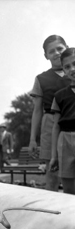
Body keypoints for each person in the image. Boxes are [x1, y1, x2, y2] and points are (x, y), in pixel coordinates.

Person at [28, 35, 70, 191]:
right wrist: (33, 139)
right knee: (52, 172)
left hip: (71, 123)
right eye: (51, 51)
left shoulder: (72, 73)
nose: (57, 53)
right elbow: (37, 110)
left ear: (67, 48)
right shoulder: (41, 79)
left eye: (60, 48)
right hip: (50, 124)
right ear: (46, 56)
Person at [49, 48, 75, 195]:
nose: (72, 69)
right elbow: (55, 128)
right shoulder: (59, 96)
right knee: (69, 188)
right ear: (64, 70)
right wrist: (54, 156)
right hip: (65, 140)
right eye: (67, 67)